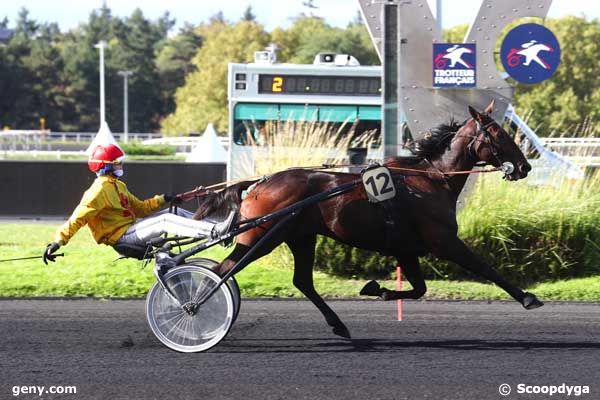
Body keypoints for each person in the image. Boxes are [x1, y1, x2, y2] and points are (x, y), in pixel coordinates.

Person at [42, 143, 234, 264]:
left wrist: (164, 198)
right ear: (105, 165)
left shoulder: (118, 185)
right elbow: (77, 219)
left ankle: (215, 227)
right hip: (122, 239)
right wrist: (57, 242)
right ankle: (215, 232)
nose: (121, 165)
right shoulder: (96, 192)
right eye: (117, 162)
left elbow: (141, 209)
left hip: (132, 229)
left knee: (172, 213)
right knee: (165, 220)